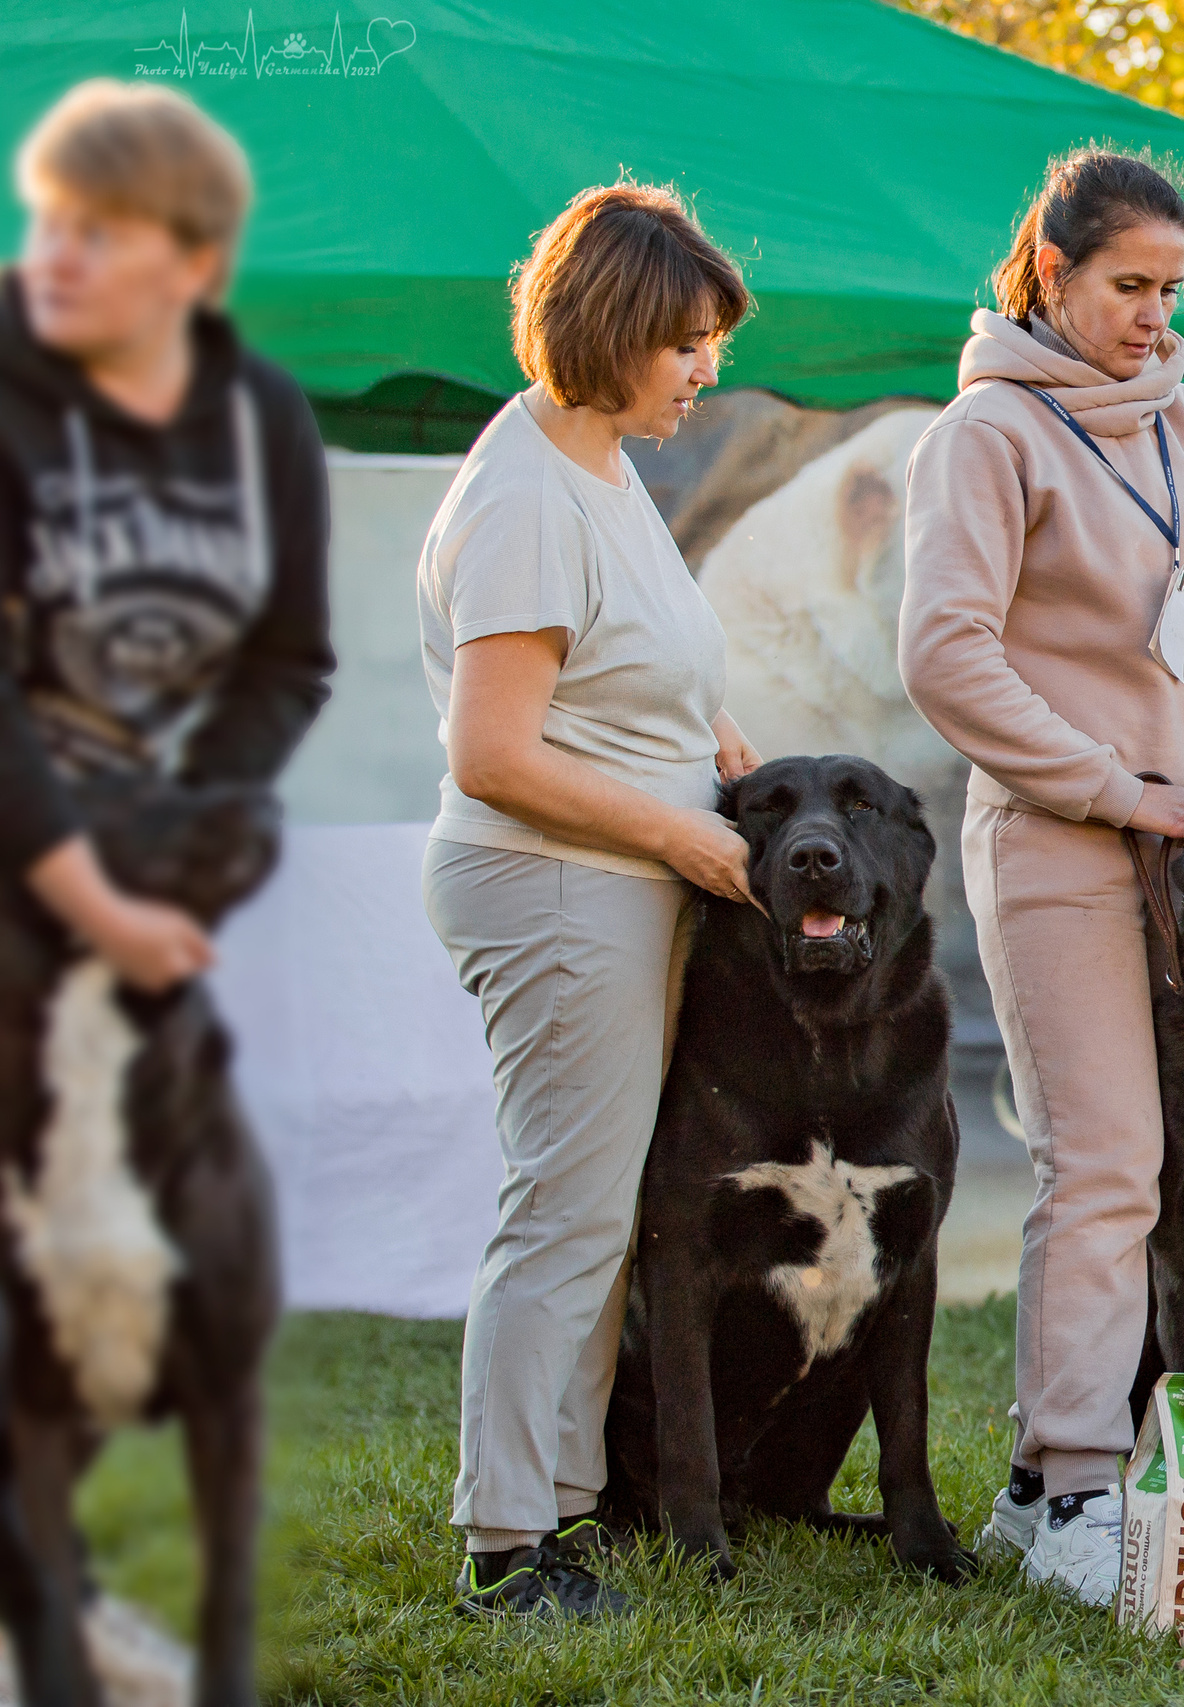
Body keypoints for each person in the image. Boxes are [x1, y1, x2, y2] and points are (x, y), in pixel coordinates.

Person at [897, 148, 1184, 1607]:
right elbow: (947, 655)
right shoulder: (984, 434)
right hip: (1062, 843)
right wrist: (1120, 789)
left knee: (1164, 1161)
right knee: (1107, 1156)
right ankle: (1075, 1485)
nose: (1153, 314)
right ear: (1049, 271)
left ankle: (1028, 1491)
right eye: (1129, 286)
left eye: (1173, 289)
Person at [418, 181, 760, 1618]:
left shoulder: (604, 468)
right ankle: (508, 1545)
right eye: (684, 342)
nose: (704, 371)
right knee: (563, 1208)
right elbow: (494, 754)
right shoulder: (522, 495)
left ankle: (564, 1504)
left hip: (623, 876)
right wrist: (684, 838)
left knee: (606, 1205)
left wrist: (735, 764)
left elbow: (641, 688)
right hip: (560, 888)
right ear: (612, 326)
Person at [0, 80, 331, 995]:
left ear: (191, 266)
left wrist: (195, 834)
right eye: (47, 225)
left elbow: (287, 660)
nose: (54, 260)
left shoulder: (261, 415)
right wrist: (91, 898)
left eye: (96, 234)